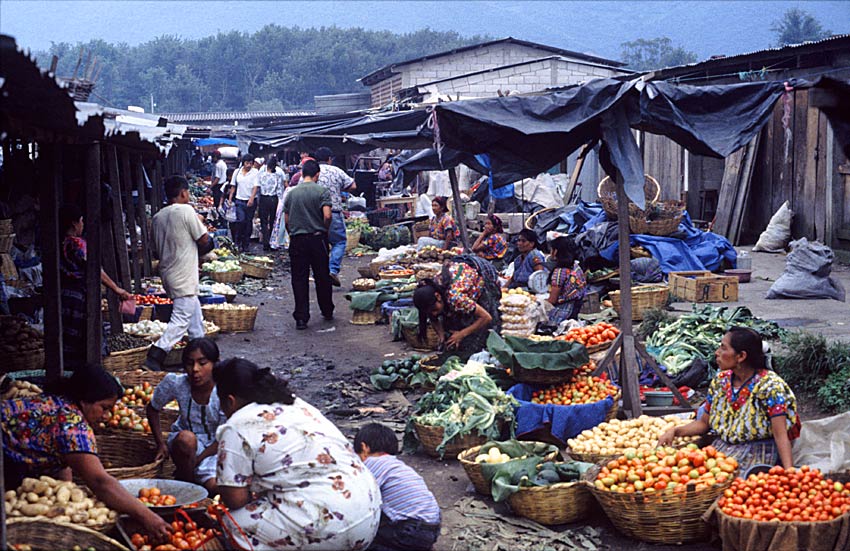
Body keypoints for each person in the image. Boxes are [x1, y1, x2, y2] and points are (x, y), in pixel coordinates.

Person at [213, 358, 381, 550]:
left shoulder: (237, 425)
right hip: (369, 512)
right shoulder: (295, 403)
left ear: (230, 401)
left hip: (329, 527)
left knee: (231, 524)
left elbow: (235, 499)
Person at [1, 364, 171, 541]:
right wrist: (147, 517)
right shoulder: (73, 424)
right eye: (104, 408)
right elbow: (100, 482)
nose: (106, 416)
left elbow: (62, 458)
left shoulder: (57, 401)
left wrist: (65, 492)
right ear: (85, 400)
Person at [658, 327, 801, 471]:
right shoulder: (720, 381)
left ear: (741, 356)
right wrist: (675, 431)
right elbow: (703, 423)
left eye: (723, 348)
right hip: (722, 448)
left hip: (758, 452)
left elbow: (780, 435)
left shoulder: (770, 387)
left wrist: (789, 472)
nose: (717, 353)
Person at [145, 176, 214, 370]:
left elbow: (155, 249)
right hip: (184, 274)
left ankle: (202, 356)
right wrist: (202, 223)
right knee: (181, 319)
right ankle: (155, 354)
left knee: (195, 322)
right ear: (183, 192)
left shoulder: (158, 217)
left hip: (168, 273)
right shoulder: (186, 211)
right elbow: (204, 240)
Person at [147, 338, 226, 494]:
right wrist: (161, 444)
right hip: (185, 443)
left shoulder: (223, 391)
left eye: (202, 363)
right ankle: (186, 484)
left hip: (216, 448)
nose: (195, 369)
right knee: (186, 439)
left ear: (215, 364)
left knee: (214, 488)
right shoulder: (177, 383)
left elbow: (225, 435)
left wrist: (199, 459)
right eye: (190, 363)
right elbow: (152, 408)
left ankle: (194, 480)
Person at [59, 204, 132, 370]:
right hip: (78, 297)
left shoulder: (60, 242)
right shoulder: (77, 244)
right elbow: (94, 268)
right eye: (81, 221)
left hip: (65, 297)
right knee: (85, 336)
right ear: (74, 223)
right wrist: (117, 289)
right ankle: (86, 370)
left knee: (68, 336)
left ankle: (70, 369)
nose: (82, 225)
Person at [354, 423, 440, 551]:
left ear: (364, 447)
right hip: (433, 527)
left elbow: (356, 498)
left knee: (361, 539)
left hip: (412, 531)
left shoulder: (371, 464)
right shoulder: (397, 466)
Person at [412, 255, 501, 357]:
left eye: (434, 309)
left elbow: (486, 317)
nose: (434, 313)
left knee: (482, 330)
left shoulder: (455, 298)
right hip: (459, 277)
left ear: (438, 296)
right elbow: (433, 317)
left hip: (481, 272)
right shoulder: (431, 292)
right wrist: (441, 337)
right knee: (452, 322)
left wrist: (462, 334)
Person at [284, 160, 334, 330]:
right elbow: (327, 216)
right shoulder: (322, 192)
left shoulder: (291, 193)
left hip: (297, 239)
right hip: (317, 238)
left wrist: (293, 232)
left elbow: (287, 220)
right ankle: (327, 310)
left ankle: (301, 318)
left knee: (299, 278)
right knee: (322, 276)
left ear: (303, 173)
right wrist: (324, 230)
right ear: (317, 174)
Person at [314, 147, 356, 287]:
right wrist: (339, 189)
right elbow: (353, 185)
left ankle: (318, 273)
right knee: (339, 242)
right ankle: (332, 270)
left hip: (315, 214)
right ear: (329, 159)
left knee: (319, 243)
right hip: (334, 212)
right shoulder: (336, 171)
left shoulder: (312, 172)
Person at [546, 236, 587, 324]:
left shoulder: (560, 272)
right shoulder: (576, 266)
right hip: (576, 309)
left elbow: (552, 300)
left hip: (564, 312)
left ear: (556, 251)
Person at [228, 154, 260, 251]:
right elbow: (233, 185)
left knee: (248, 222)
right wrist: (230, 198)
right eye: (247, 163)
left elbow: (256, 186)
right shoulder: (237, 172)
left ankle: (246, 244)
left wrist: (251, 198)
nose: (249, 165)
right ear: (243, 163)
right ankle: (238, 241)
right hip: (239, 200)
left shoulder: (255, 172)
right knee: (240, 221)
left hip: (250, 201)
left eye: (251, 163)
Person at [257, 155, 286, 251]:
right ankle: (272, 241)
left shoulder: (262, 173)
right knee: (273, 221)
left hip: (264, 199)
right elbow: (280, 189)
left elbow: (258, 186)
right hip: (274, 199)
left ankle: (266, 243)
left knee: (264, 221)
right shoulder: (278, 174)